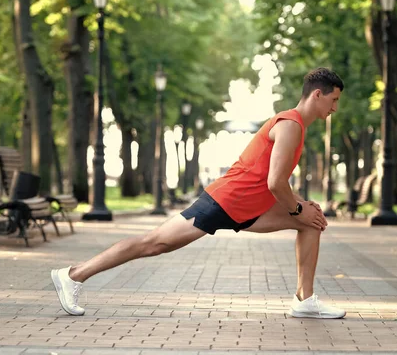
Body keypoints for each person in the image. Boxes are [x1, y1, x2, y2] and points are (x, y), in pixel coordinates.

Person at [51, 67, 346, 319]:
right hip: (226, 201)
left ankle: (305, 300)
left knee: (313, 220)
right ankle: (74, 274)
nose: (334, 108)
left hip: (248, 207)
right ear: (316, 95)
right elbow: (275, 182)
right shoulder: (291, 124)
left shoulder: (295, 126)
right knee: (153, 244)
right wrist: (297, 207)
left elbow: (274, 184)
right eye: (333, 100)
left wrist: (302, 209)